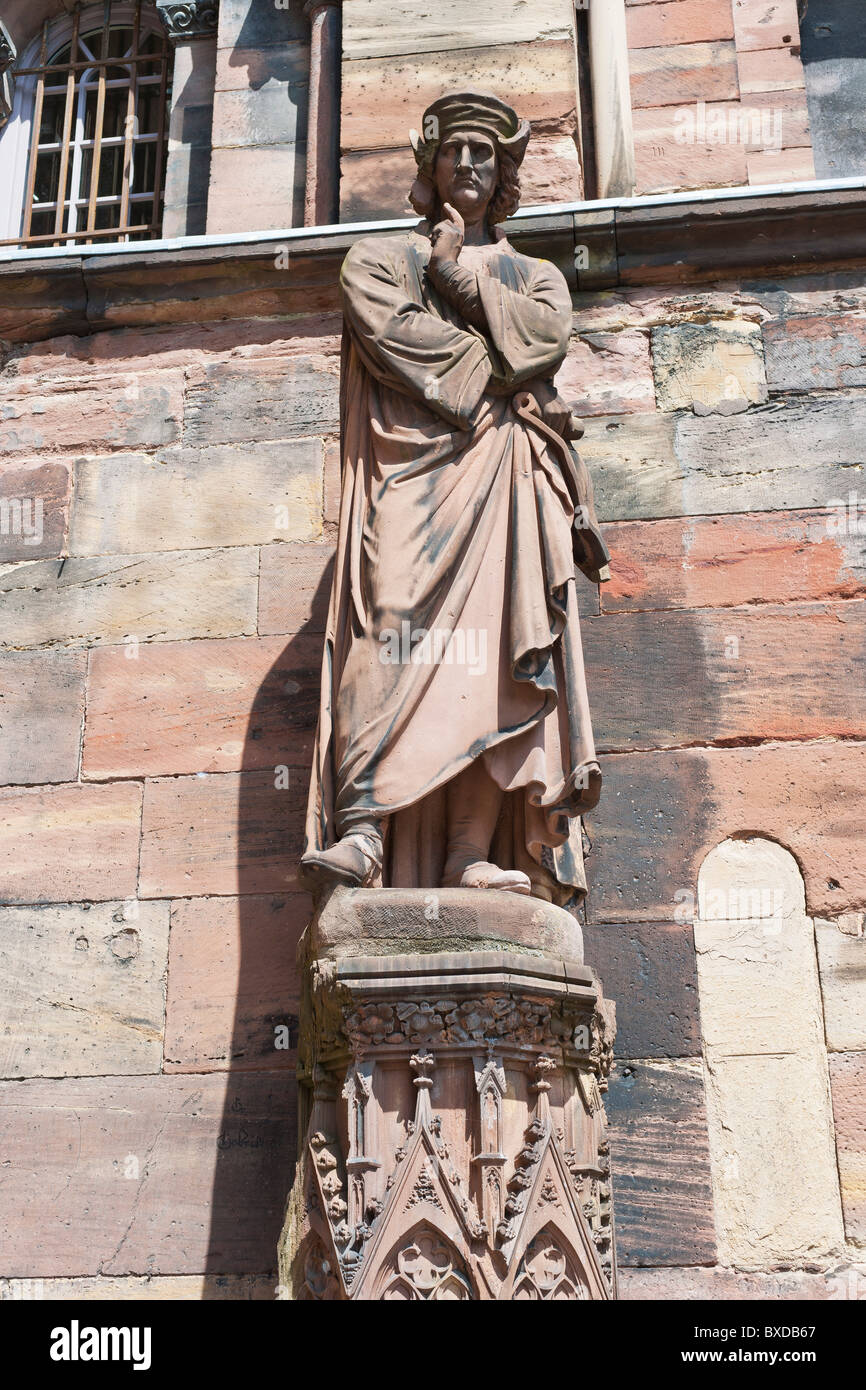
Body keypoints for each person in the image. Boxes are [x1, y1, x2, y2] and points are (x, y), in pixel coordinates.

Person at [300, 90, 608, 906]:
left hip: (504, 474)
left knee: (493, 658)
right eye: (454, 153)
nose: (468, 166)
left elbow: (543, 341)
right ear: (429, 168)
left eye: (485, 155)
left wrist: (456, 280)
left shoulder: (534, 275)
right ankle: (364, 828)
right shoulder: (377, 258)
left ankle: (466, 855)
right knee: (392, 624)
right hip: (411, 477)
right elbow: (393, 330)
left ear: (503, 173)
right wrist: (491, 362)